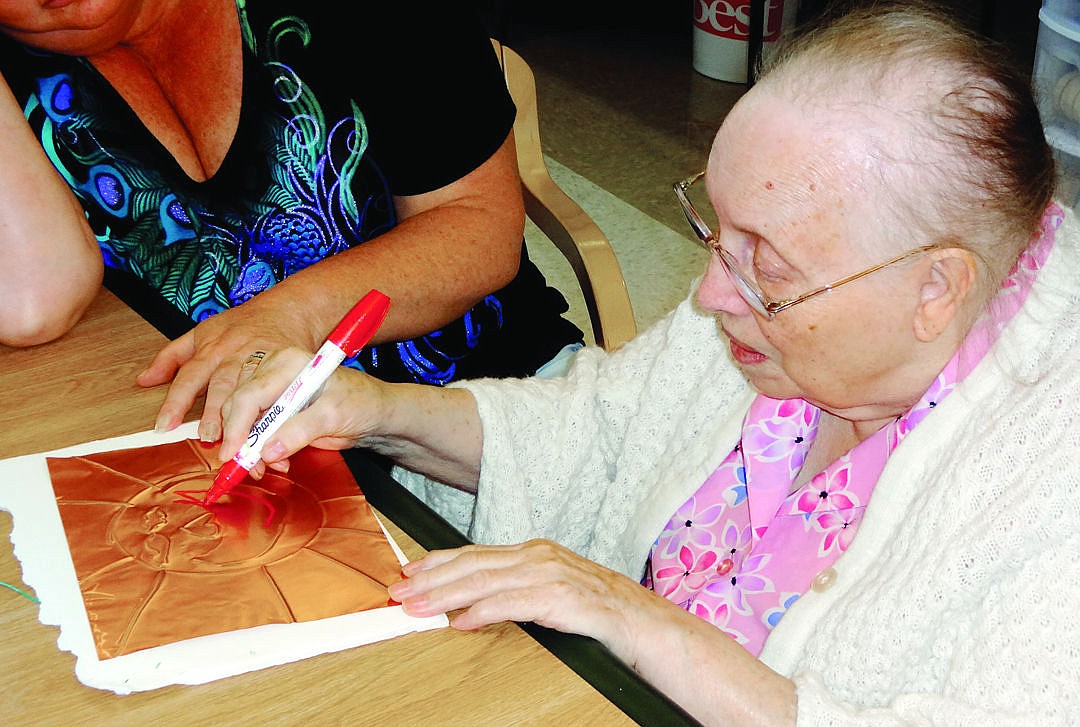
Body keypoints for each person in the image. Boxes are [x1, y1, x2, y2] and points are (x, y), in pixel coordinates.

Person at [217, 2, 1079, 723]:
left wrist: (625, 611)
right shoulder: (783, 305)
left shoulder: (1048, 471)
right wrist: (377, 410)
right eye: (715, 228)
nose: (709, 294)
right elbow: (596, 431)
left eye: (766, 265)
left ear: (937, 288)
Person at [0, 0, 583, 441]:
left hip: (495, 409)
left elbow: (479, 228)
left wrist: (287, 314)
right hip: (247, 449)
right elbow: (32, 303)